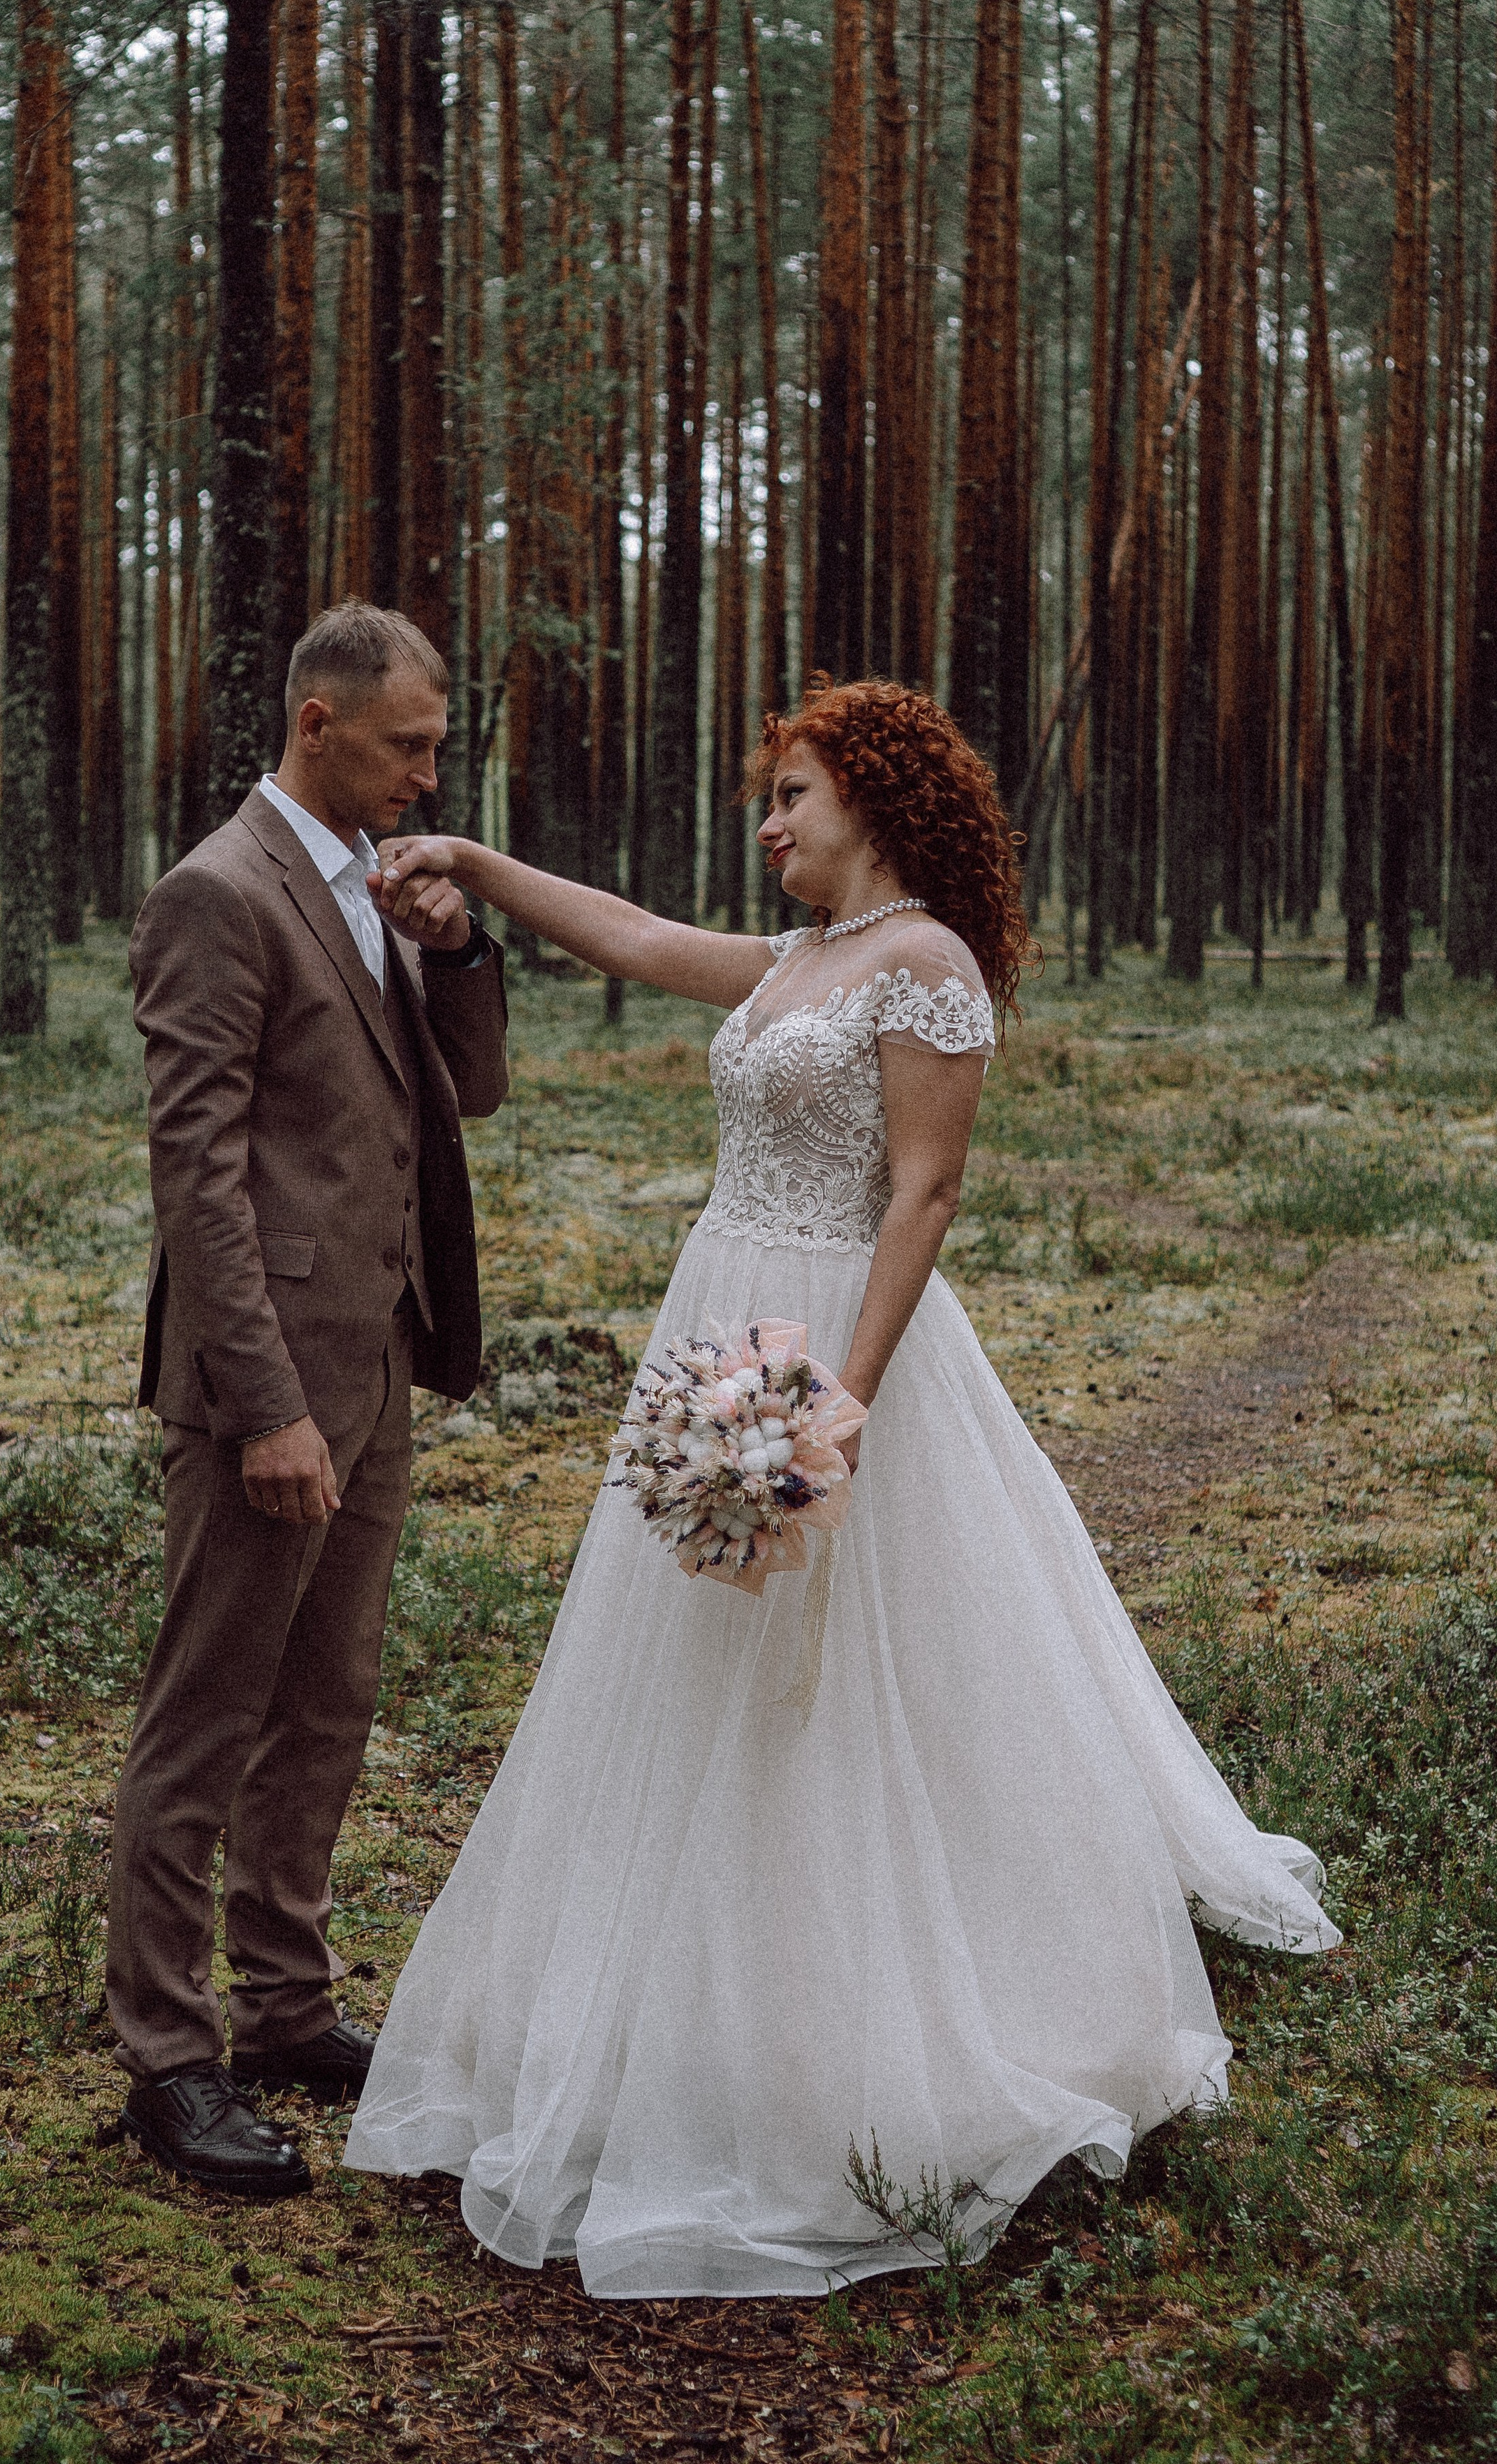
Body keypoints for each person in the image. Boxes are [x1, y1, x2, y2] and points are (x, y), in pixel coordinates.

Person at [346, 676, 1338, 2298]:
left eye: (791, 795)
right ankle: (692, 1997)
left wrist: (841, 1402)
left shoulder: (926, 965)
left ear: (870, 800)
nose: (769, 823)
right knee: (691, 1658)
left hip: (834, 1342)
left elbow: (925, 1193)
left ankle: (871, 2016)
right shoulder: (799, 960)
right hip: (716, 1311)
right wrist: (481, 862)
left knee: (858, 1674)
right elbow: (643, 942)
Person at [106, 601, 509, 2199]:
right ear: (319, 724)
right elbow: (195, 1176)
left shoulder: (372, 887)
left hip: (379, 1362)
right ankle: (165, 2058)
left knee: (329, 1705)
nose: (429, 773)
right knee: (203, 1717)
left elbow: (462, 1090)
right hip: (262, 1389)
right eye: (408, 744)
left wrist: (457, 946)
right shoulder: (216, 896)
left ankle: (282, 2006)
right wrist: (264, 1406)